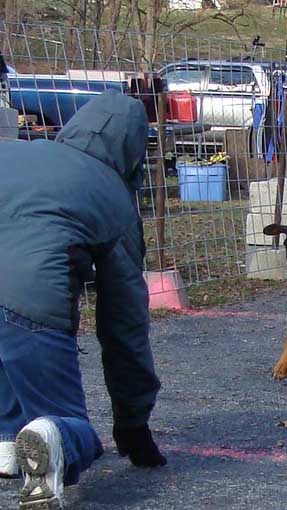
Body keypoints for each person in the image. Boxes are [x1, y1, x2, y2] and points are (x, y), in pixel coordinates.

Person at [0, 90, 166, 509]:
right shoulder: (112, 197)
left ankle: (6, 443)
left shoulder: (17, 151)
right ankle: (54, 441)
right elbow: (123, 324)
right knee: (68, 425)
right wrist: (133, 421)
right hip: (29, 294)